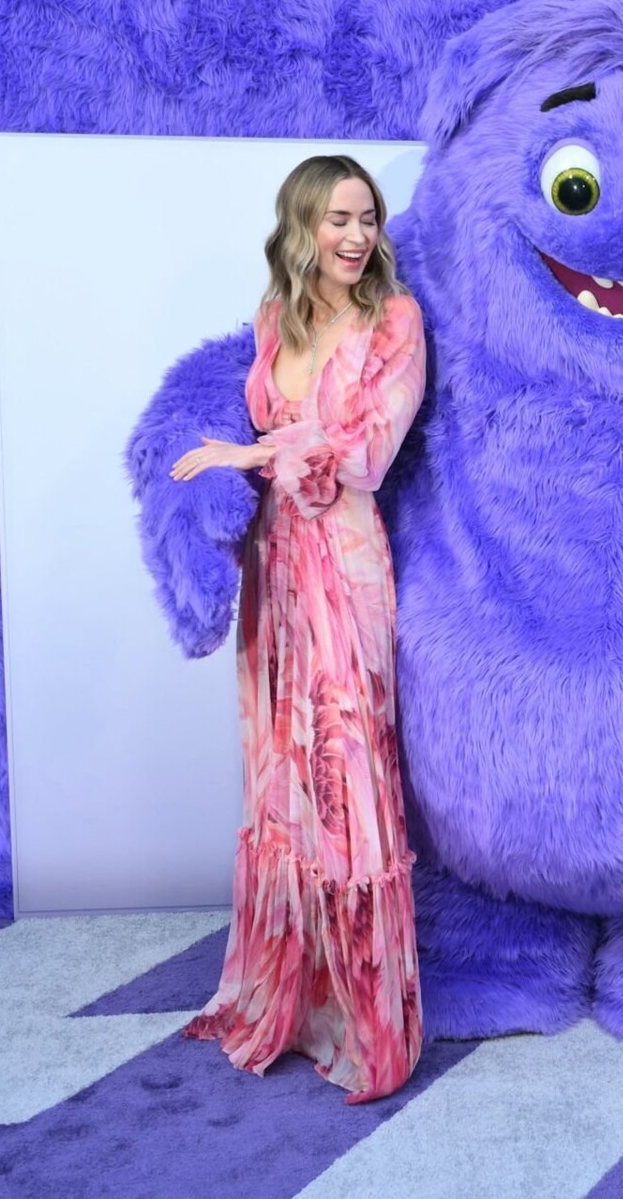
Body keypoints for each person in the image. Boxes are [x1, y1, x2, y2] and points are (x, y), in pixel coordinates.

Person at [168, 154, 426, 1103]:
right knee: (283, 779)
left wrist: (251, 453)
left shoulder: (395, 321)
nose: (356, 236)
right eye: (338, 219)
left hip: (344, 568)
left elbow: (367, 453)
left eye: (368, 218)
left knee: (346, 779)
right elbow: (246, 420)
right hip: (273, 570)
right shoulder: (274, 318)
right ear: (302, 226)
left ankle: (368, 1022)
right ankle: (293, 999)